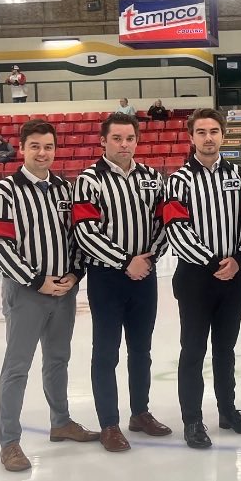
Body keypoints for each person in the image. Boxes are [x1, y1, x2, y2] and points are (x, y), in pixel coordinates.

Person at [0, 120, 98, 472]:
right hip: (27, 292)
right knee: (17, 367)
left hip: (64, 291)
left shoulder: (64, 189)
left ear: (56, 149)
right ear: (22, 148)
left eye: (49, 146)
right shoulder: (5, 191)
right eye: (35, 146)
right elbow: (1, 245)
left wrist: (75, 273)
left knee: (58, 360)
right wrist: (36, 280)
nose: (43, 152)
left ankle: (61, 422)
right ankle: (9, 442)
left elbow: (77, 238)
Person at [72, 113, 170, 452]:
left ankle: (140, 412)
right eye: (116, 138)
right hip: (107, 278)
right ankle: (109, 424)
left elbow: (164, 224)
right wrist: (126, 261)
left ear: (137, 140)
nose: (124, 144)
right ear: (103, 141)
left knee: (141, 350)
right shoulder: (88, 180)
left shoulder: (151, 178)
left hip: (145, 275)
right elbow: (86, 232)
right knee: (106, 352)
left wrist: (148, 259)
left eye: (129, 138)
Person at [164, 109, 241, 449]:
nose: (208, 137)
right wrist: (212, 262)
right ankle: (192, 420)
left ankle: (227, 410)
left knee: (226, 349)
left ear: (224, 136)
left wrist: (238, 260)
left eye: (214, 131)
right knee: (192, 350)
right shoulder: (177, 181)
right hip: (195, 277)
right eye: (201, 131)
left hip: (233, 275)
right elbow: (176, 229)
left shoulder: (240, 176)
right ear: (191, 137)